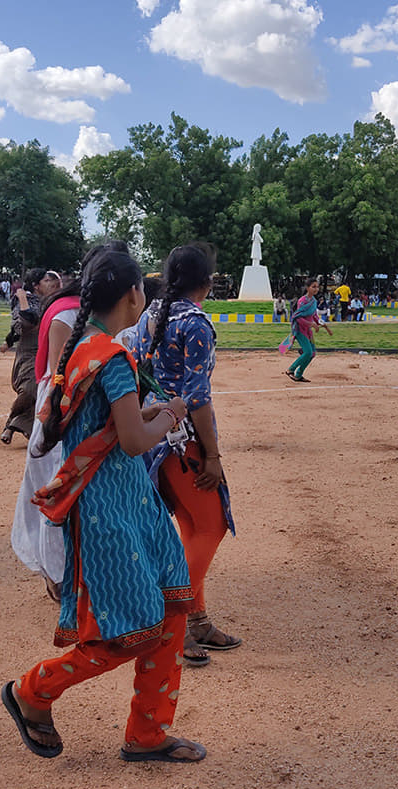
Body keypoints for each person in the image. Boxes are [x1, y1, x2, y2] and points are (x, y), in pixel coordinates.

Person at [1, 246, 206, 764]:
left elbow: (113, 424)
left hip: (129, 505)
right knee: (127, 633)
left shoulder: (86, 347)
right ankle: (34, 690)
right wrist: (172, 412)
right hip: (110, 513)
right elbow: (136, 440)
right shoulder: (111, 357)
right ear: (134, 293)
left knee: (172, 611)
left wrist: (148, 410)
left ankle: (148, 734)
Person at [135, 243, 240, 669]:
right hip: (186, 442)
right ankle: (170, 623)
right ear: (207, 282)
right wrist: (212, 455)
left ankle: (195, 619)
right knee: (211, 527)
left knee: (190, 528)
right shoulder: (194, 322)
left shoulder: (151, 315)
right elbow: (198, 397)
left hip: (155, 438)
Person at [1, 269, 61, 445]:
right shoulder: (24, 300)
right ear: (35, 286)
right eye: (47, 280)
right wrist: (22, 299)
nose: (52, 284)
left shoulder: (50, 301)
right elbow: (28, 321)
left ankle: (15, 426)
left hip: (46, 348)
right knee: (29, 389)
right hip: (29, 351)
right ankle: (11, 424)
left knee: (43, 390)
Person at [280, 277, 332, 382]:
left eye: (317, 287)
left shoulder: (314, 301)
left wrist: (320, 323)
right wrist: (311, 324)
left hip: (308, 331)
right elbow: (298, 318)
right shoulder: (302, 301)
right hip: (300, 330)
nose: (316, 289)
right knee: (308, 352)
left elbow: (314, 315)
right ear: (307, 288)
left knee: (312, 353)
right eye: (313, 287)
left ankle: (298, 375)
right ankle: (291, 369)